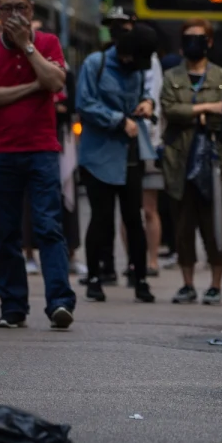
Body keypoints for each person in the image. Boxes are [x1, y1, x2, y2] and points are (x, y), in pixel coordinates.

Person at [0, 0, 76, 331]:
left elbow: (57, 83)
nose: (14, 15)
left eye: (20, 8)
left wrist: (27, 47)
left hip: (41, 149)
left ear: (31, 10)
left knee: (48, 227)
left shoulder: (47, 42)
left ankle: (60, 302)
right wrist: (36, 86)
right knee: (6, 232)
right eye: (7, 9)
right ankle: (13, 307)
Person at [77, 23, 158, 304]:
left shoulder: (137, 68)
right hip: (98, 155)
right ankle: (95, 278)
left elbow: (142, 94)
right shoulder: (95, 64)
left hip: (130, 155)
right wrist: (118, 120)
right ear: (124, 52)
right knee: (101, 218)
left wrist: (147, 103)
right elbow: (84, 103)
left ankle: (140, 279)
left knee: (134, 218)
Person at [160, 18, 222, 305]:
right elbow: (170, 109)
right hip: (179, 160)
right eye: (188, 38)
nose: (193, 44)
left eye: (199, 38)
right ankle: (187, 285)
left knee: (215, 225)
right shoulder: (171, 76)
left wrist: (193, 111)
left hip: (212, 161)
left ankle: (215, 286)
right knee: (183, 227)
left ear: (209, 42)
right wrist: (206, 108)